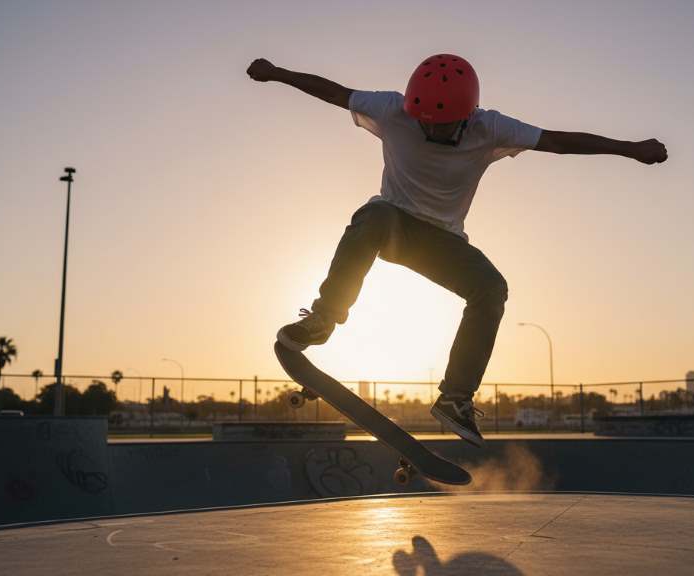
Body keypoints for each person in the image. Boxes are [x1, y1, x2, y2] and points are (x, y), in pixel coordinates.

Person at [247, 54, 667, 447]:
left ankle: (455, 398)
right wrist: (278, 73)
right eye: (424, 122)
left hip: (441, 242)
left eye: (443, 126)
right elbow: (334, 92)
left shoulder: (492, 128)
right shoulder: (393, 109)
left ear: (467, 117)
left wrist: (630, 150)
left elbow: (558, 141)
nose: (431, 131)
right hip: (391, 224)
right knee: (370, 215)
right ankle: (323, 319)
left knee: (491, 288)